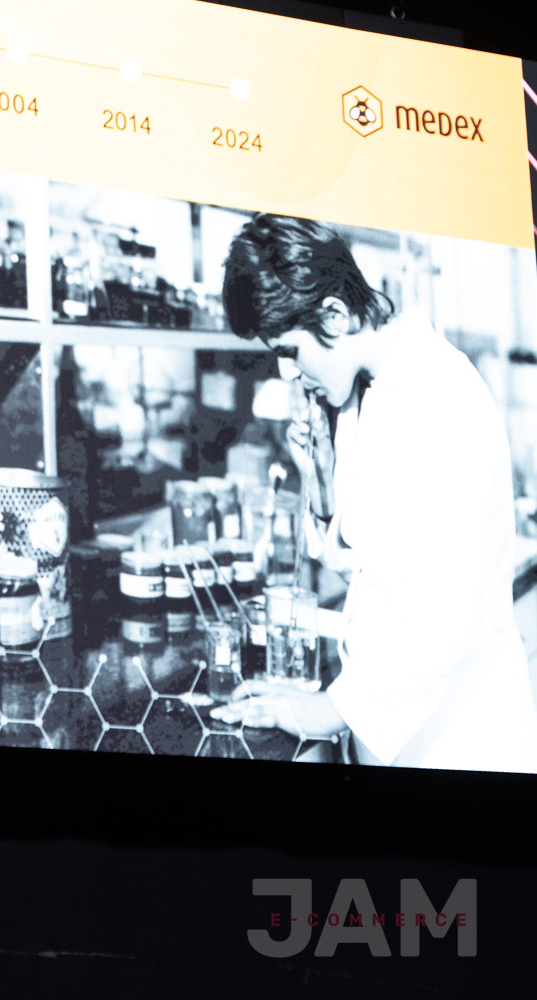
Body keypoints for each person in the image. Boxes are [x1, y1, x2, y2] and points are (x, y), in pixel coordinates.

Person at [211, 214, 537, 772]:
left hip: (460, 744)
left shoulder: (435, 397)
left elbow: (440, 620)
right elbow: (378, 569)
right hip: (400, 734)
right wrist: (321, 479)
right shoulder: (374, 392)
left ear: (334, 315)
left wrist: (325, 711)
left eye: (289, 351)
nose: (287, 373)